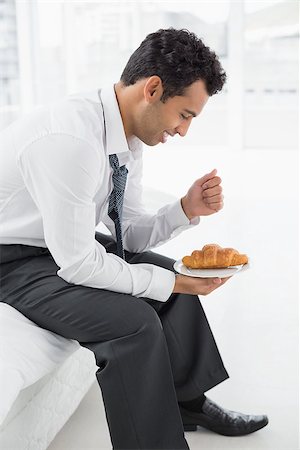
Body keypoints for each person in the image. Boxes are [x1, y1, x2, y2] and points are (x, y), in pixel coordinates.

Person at [0, 27, 268, 450]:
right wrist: (168, 283)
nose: (183, 131)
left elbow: (126, 233)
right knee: (134, 323)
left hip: (56, 244)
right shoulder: (71, 141)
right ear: (154, 89)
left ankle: (188, 402)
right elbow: (79, 264)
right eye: (185, 115)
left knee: (169, 275)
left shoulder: (125, 135)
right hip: (12, 262)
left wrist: (185, 208)